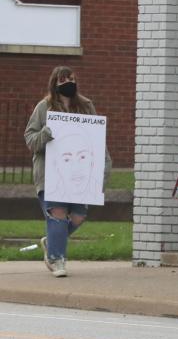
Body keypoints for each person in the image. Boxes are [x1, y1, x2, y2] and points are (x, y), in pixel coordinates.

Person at [24, 66, 112, 278]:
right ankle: (56, 259)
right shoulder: (43, 108)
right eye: (63, 80)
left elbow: (95, 139)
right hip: (51, 173)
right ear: (54, 83)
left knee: (79, 216)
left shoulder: (86, 106)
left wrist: (103, 167)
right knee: (57, 214)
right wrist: (45, 134)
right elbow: (30, 139)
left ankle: (53, 239)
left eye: (71, 79)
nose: (68, 84)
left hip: (79, 173)